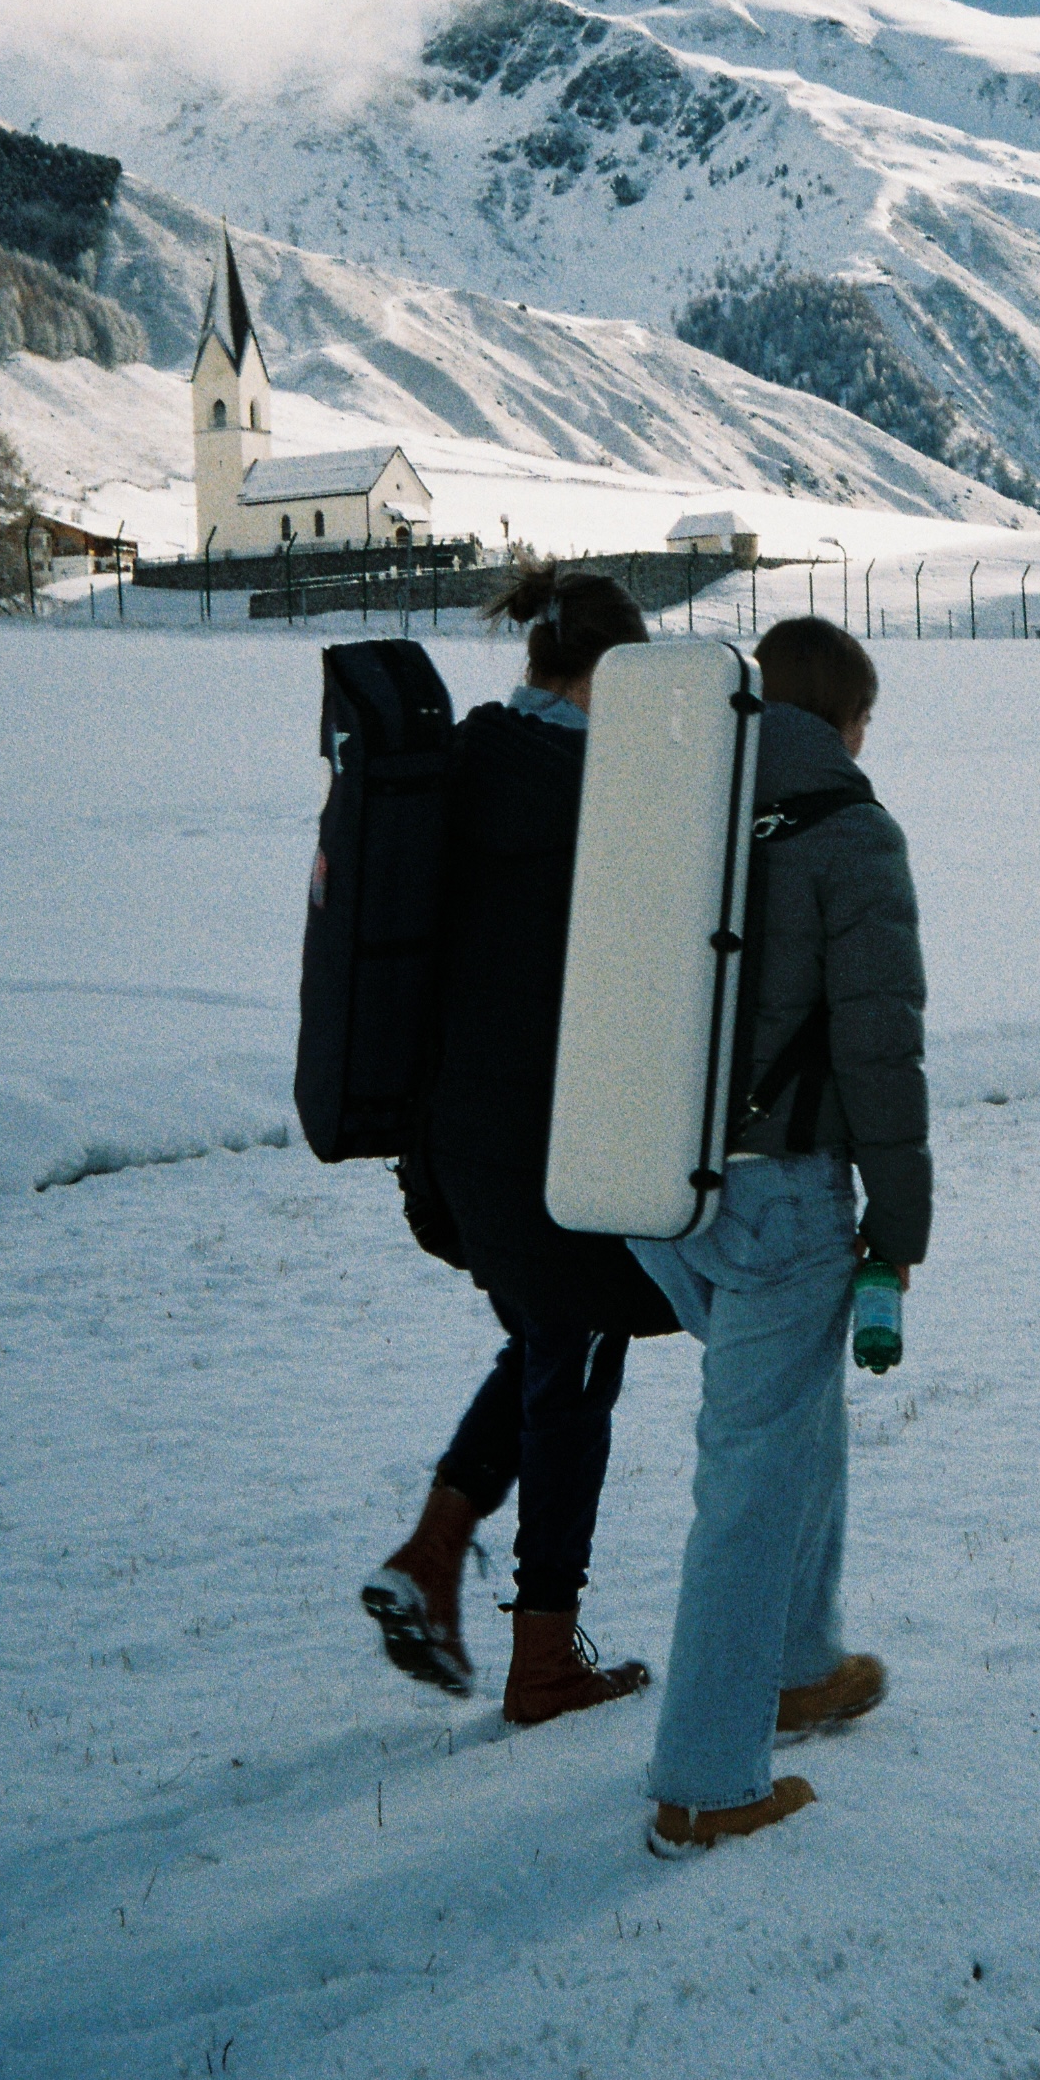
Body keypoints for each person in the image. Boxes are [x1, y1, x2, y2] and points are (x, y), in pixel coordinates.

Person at [630, 615, 931, 1856]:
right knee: (751, 1481)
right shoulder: (853, 834)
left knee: (796, 1420)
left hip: (658, 1190)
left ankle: (801, 1663)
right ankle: (706, 1781)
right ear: (848, 721)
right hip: (785, 1196)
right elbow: (879, 1047)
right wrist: (899, 1227)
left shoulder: (674, 806)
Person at [361, 568, 678, 1726]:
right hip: (563, 1143)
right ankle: (543, 1656)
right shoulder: (590, 789)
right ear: (606, 674)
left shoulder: (474, 762)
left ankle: (433, 1556)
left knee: (553, 1340)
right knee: (577, 1372)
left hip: (465, 1142)